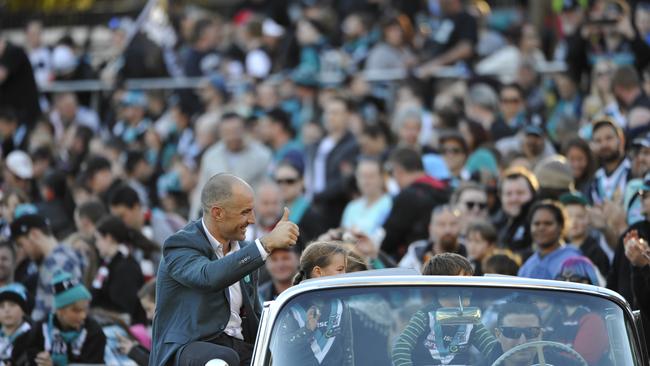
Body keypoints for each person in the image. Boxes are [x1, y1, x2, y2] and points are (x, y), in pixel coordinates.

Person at [150, 173, 298, 366]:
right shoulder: (179, 245)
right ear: (218, 213)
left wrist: (292, 338)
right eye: (245, 212)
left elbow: (254, 314)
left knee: (283, 358)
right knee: (222, 360)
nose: (253, 220)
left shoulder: (244, 250)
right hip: (189, 347)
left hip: (236, 345)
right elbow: (208, 277)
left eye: (252, 211)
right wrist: (266, 244)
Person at [392, 267, 499, 365]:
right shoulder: (425, 316)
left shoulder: (470, 320)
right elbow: (400, 350)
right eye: (463, 281)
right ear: (444, 288)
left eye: (470, 280)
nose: (470, 286)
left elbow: (494, 351)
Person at [274, 241, 350, 366]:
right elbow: (280, 349)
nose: (345, 275)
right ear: (318, 272)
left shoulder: (341, 305)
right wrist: (307, 330)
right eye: (340, 269)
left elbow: (347, 350)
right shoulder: (291, 306)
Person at [12, 272, 105, 365]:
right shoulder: (41, 330)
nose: (83, 316)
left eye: (85, 310)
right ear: (59, 311)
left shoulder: (94, 332)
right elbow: (25, 355)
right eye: (76, 311)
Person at [192, 113, 272, 219]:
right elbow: (201, 190)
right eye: (227, 132)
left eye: (236, 131)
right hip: (219, 220)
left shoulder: (262, 155)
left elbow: (269, 189)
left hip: (253, 218)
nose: (232, 136)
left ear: (244, 130)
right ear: (220, 133)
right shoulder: (210, 156)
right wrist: (193, 220)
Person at [10, 214, 85, 322]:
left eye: (21, 244)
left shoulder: (55, 263)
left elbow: (56, 312)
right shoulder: (65, 253)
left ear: (34, 234)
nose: (23, 250)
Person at [382, 147, 449, 260]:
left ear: (399, 171)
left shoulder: (408, 196)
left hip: (415, 262)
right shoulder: (445, 189)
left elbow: (389, 239)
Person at [305, 97, 359, 230]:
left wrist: (317, 196)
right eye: (328, 112)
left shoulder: (353, 145)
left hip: (336, 208)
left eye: (335, 113)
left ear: (347, 116)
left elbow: (344, 181)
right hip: (314, 206)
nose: (330, 117)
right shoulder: (317, 144)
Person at [91, 215, 146, 325]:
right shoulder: (108, 264)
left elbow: (123, 311)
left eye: (97, 239)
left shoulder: (126, 267)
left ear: (109, 238)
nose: (96, 245)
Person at [518, 200, 583, 280]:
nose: (541, 228)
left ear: (561, 226)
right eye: (536, 224)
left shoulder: (574, 262)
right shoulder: (527, 267)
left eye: (548, 223)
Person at [273, 161, 325, 248]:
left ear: (301, 181)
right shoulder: (275, 212)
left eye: (290, 181)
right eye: (279, 181)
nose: (283, 185)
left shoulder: (312, 214)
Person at [399, 205, 466, 273]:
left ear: (461, 226)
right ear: (430, 228)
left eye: (453, 224)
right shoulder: (414, 258)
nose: (447, 230)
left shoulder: (472, 255)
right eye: (441, 224)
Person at [341, 158, 392, 244]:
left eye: (371, 176)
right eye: (362, 176)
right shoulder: (351, 206)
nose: (366, 181)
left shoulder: (390, 204)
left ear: (382, 178)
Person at [559, 192, 611, 276]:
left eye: (579, 216)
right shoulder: (559, 248)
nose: (574, 222)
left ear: (588, 219)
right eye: (568, 217)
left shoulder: (596, 253)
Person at [493, 167, 538, 257]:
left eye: (520, 193)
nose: (514, 199)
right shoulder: (495, 224)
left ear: (532, 194)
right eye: (509, 194)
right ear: (501, 197)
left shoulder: (538, 222)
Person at [587, 119, 631, 205]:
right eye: (598, 141)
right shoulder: (594, 181)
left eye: (609, 138)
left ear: (621, 140)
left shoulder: (634, 169)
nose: (604, 144)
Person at [493, 300, 544, 366]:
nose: (522, 342)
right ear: (498, 335)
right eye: (513, 332)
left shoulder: (559, 362)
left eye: (530, 332)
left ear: (541, 335)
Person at [0, 284, 31, 363]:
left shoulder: (34, 336)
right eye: (2, 306)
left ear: (23, 310)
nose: (7, 310)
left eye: (12, 305)